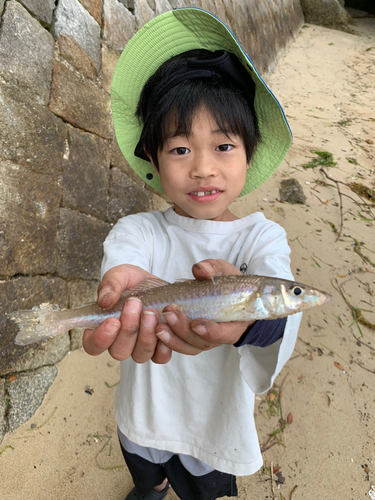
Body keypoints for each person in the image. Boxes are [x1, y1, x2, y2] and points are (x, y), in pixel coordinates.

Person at [83, 8, 301, 500]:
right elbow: (123, 261)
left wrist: (247, 321)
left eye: (223, 146)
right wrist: (119, 280)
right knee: (144, 466)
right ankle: (152, 486)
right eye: (180, 150)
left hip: (214, 423)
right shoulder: (139, 229)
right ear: (154, 162)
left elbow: (281, 303)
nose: (203, 167)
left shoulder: (261, 239)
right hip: (144, 412)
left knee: (204, 488)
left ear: (249, 153)